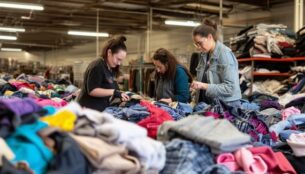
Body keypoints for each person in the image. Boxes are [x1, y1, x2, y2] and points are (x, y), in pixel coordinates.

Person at [190, 19, 241, 107]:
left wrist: (204, 86)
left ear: (210, 37)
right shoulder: (204, 55)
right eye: (196, 44)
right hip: (209, 105)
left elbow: (230, 88)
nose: (198, 47)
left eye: (200, 43)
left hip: (227, 106)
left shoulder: (224, 54)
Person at [77, 35, 130, 112]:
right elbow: (92, 90)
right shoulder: (97, 66)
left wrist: (120, 94)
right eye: (118, 59)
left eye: (121, 60)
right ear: (109, 52)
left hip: (100, 110)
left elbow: (113, 86)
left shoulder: (109, 68)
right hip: (88, 111)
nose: (119, 63)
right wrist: (114, 92)